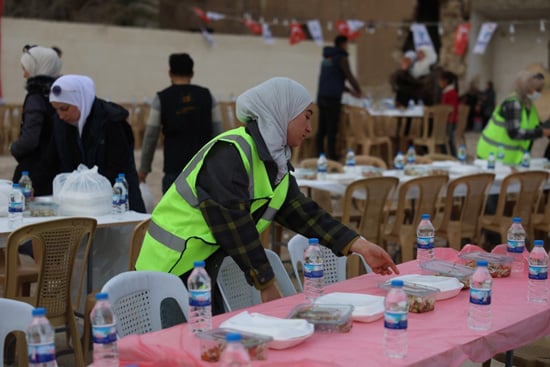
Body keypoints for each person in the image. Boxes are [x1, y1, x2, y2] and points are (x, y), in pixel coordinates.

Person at [136, 77, 398, 315]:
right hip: (167, 272)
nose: (309, 127)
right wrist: (266, 283)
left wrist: (360, 245)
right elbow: (234, 225)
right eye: (305, 117)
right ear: (281, 113)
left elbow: (306, 214)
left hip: (201, 269)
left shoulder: (275, 164)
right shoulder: (230, 153)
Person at [45, 74, 146, 212]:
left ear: (79, 100)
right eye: (56, 109)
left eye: (64, 108)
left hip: (117, 203)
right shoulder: (60, 124)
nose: (61, 115)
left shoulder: (111, 122)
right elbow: (52, 161)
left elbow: (119, 167)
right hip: (80, 204)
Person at [138, 53, 222, 193]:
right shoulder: (207, 96)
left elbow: (150, 137)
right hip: (204, 171)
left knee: (173, 214)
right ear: (192, 73)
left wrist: (144, 170)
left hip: (174, 172)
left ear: (170, 73)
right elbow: (219, 134)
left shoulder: (161, 98)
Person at [10, 45, 62, 196]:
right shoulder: (60, 94)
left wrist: (14, 148)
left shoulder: (36, 98)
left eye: (25, 68)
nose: (24, 74)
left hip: (34, 173)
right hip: (57, 169)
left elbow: (30, 140)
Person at [477, 71, 550, 165]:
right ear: (526, 88)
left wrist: (545, 129)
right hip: (492, 155)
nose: (539, 93)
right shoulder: (513, 103)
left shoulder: (529, 106)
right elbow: (514, 133)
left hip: (509, 158)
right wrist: (543, 132)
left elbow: (536, 126)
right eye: (537, 90)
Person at [316, 35, 362, 160]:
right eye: (347, 44)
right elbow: (348, 75)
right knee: (332, 130)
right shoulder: (341, 57)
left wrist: (350, 91)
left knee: (322, 129)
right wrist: (359, 90)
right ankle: (332, 157)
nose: (348, 47)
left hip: (322, 96)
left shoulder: (327, 58)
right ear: (343, 44)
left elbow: (334, 80)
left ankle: (318, 155)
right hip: (332, 99)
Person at [439, 70, 459, 157]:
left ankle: (453, 156)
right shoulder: (448, 92)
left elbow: (449, 108)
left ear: (445, 81)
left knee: (449, 140)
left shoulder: (450, 93)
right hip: (449, 120)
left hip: (449, 120)